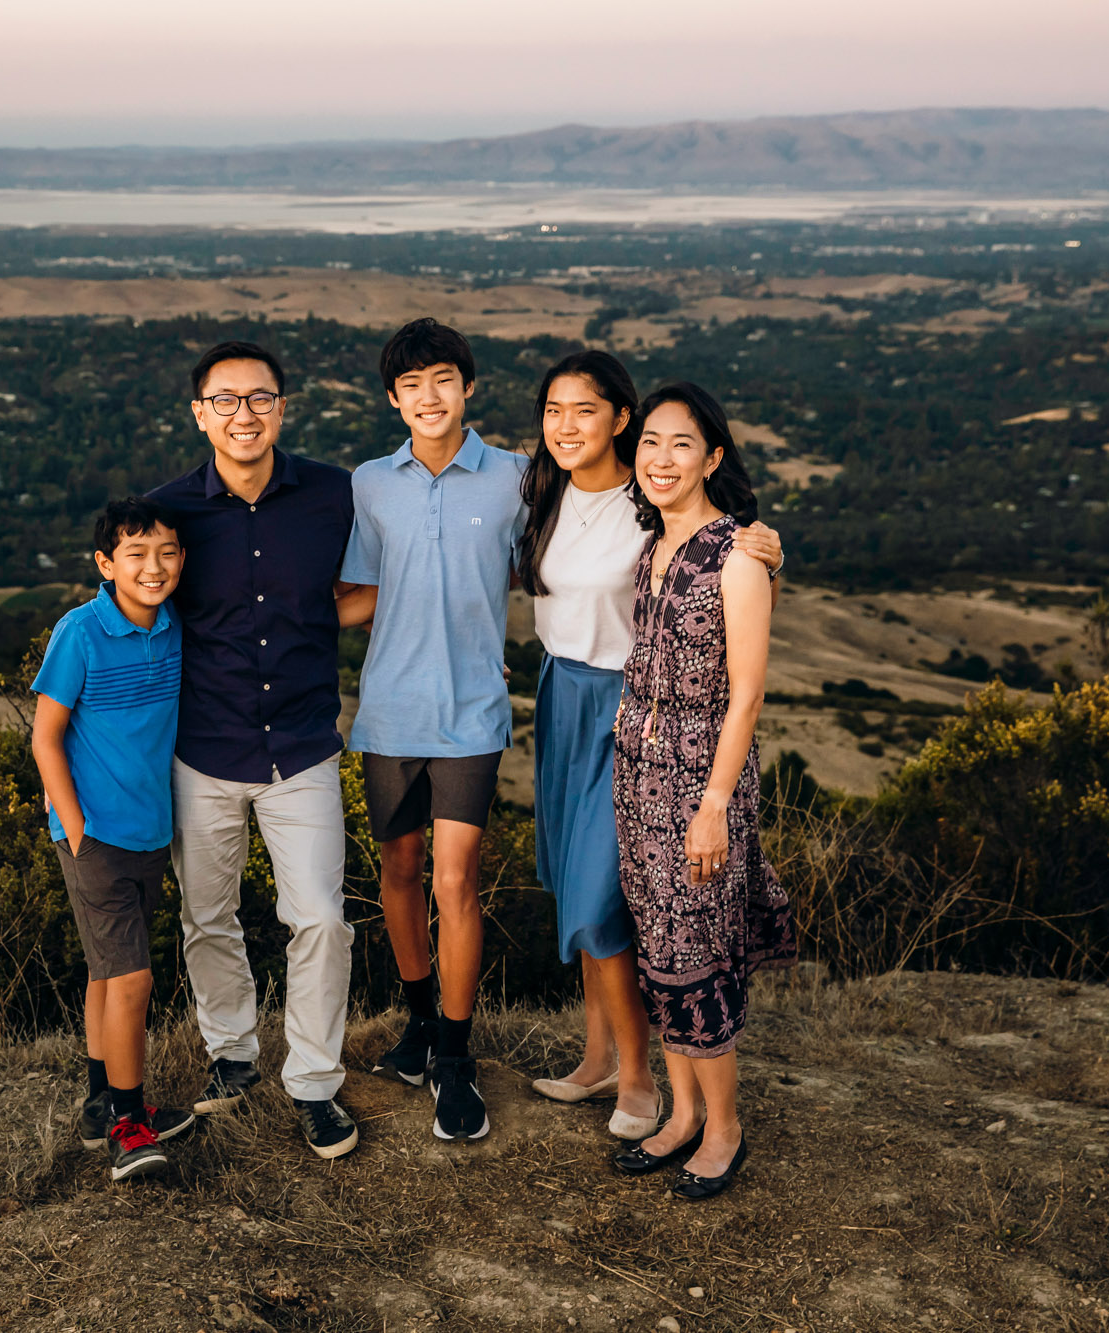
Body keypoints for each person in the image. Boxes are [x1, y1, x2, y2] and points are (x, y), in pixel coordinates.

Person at [515, 353, 785, 1147]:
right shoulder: (538, 490)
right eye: (553, 410)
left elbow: (724, 553)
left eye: (586, 410)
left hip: (632, 710)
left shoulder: (648, 502)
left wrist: (767, 548)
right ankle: (599, 1056)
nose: (567, 426)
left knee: (605, 904)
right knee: (579, 884)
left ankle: (640, 1077)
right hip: (562, 698)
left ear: (619, 420)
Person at [146, 341, 362, 1160]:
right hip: (202, 749)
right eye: (225, 400)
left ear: (283, 406)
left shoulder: (336, 494)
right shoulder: (169, 513)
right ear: (199, 413)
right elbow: (132, 606)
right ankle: (233, 1058)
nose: (244, 414)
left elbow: (385, 574)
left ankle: (313, 1084)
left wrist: (310, 621)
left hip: (302, 745)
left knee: (321, 921)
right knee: (207, 917)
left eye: (260, 397)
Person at [337, 317, 525, 1142]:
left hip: (474, 710)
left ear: (468, 385)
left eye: (442, 379)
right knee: (401, 870)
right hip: (388, 709)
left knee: (457, 880)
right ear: (392, 398)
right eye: (411, 385)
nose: (428, 397)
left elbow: (564, 562)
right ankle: (418, 1025)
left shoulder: (518, 477)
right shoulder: (370, 483)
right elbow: (362, 593)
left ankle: (455, 1057)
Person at [610, 382, 797, 1199]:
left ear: (712, 458)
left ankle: (723, 1128)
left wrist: (714, 803)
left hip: (697, 784)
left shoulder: (738, 557)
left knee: (693, 955)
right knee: (657, 951)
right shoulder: (652, 548)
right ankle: (680, 1113)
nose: (660, 458)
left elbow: (747, 693)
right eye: (650, 441)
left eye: (680, 444)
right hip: (638, 777)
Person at [29, 497, 199, 1181]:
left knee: (107, 970)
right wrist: (73, 824)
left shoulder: (172, 627)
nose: (153, 567)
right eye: (136, 554)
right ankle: (131, 1122)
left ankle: (100, 1101)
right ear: (106, 563)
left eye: (166, 552)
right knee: (133, 978)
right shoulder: (80, 632)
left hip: (150, 829)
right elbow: (45, 734)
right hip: (94, 835)